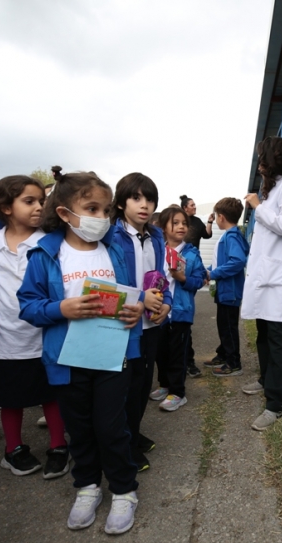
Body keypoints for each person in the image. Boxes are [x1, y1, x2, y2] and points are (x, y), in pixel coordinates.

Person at [17, 166, 143, 535]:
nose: (101, 218)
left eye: (106, 210)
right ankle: (87, 486)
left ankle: (123, 489)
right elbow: (28, 305)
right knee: (80, 427)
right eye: (92, 209)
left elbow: (130, 295)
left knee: (111, 425)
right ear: (64, 213)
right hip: (67, 360)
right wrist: (61, 308)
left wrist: (135, 311)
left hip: (112, 356)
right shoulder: (45, 255)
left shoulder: (115, 251)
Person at [0, 175, 69, 478]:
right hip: (5, 335)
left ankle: (58, 446)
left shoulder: (50, 241)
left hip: (45, 331)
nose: (39, 207)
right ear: (4, 207)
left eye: (41, 201)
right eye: (29, 201)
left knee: (50, 392)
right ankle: (12, 449)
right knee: (9, 397)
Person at [240, 137, 282, 431]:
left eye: (261, 158)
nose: (259, 164)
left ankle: (276, 402)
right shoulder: (274, 190)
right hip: (267, 278)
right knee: (264, 333)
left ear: (273, 159)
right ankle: (266, 379)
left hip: (278, 281)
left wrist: (257, 206)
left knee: (278, 337)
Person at [110, 173, 170, 472]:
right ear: (121, 203)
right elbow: (106, 283)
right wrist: (139, 299)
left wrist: (166, 303)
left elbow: (161, 276)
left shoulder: (156, 236)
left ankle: (132, 431)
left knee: (144, 382)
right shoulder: (111, 236)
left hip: (150, 325)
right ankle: (125, 443)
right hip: (123, 323)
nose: (144, 205)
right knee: (125, 386)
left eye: (149, 199)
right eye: (136, 198)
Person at [149, 206, 206, 412]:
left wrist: (183, 278)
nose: (181, 226)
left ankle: (178, 392)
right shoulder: (156, 250)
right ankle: (164, 385)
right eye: (175, 223)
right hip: (158, 311)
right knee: (160, 352)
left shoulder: (191, 253)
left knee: (177, 353)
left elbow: (199, 280)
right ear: (163, 227)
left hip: (181, 312)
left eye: (184, 223)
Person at [204, 198, 249, 376]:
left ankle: (233, 362)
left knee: (228, 327)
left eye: (215, 216)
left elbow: (237, 261)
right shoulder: (229, 235)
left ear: (221, 217)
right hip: (225, 291)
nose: (214, 219)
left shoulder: (231, 236)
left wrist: (213, 274)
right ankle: (223, 353)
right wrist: (207, 271)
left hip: (229, 292)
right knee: (223, 324)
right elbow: (220, 261)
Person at [180, 195, 213, 377]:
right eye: (192, 205)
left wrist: (209, 222)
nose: (195, 207)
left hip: (191, 270)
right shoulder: (164, 251)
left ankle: (189, 362)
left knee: (184, 324)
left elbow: (207, 235)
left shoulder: (197, 223)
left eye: (183, 226)